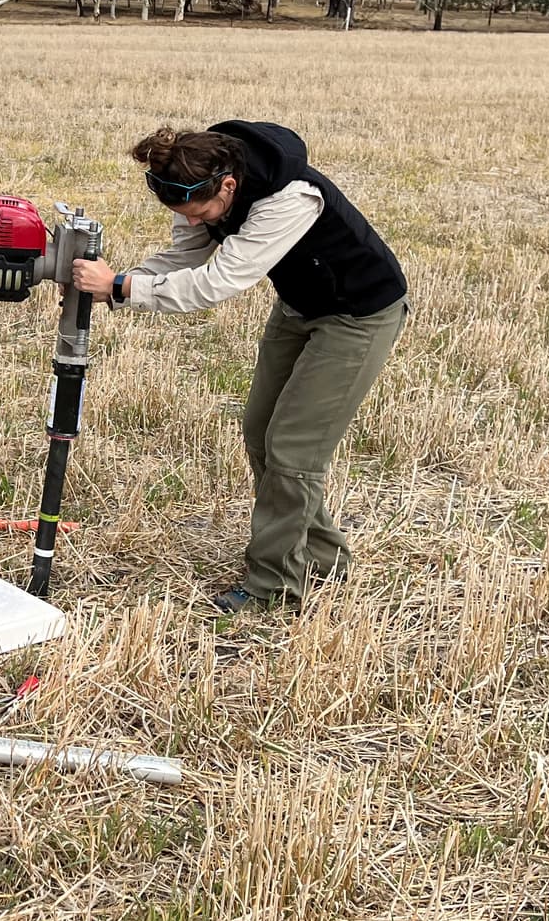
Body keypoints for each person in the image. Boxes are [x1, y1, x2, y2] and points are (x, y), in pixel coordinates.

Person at [71, 121, 409, 613]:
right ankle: (324, 558)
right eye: (181, 214)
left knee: (293, 450)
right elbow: (183, 255)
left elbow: (217, 281)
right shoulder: (200, 185)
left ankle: (273, 585)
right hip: (300, 306)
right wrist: (110, 286)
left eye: (200, 213)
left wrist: (121, 287)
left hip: (359, 315)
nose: (191, 223)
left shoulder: (290, 197)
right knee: (259, 431)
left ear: (228, 186)